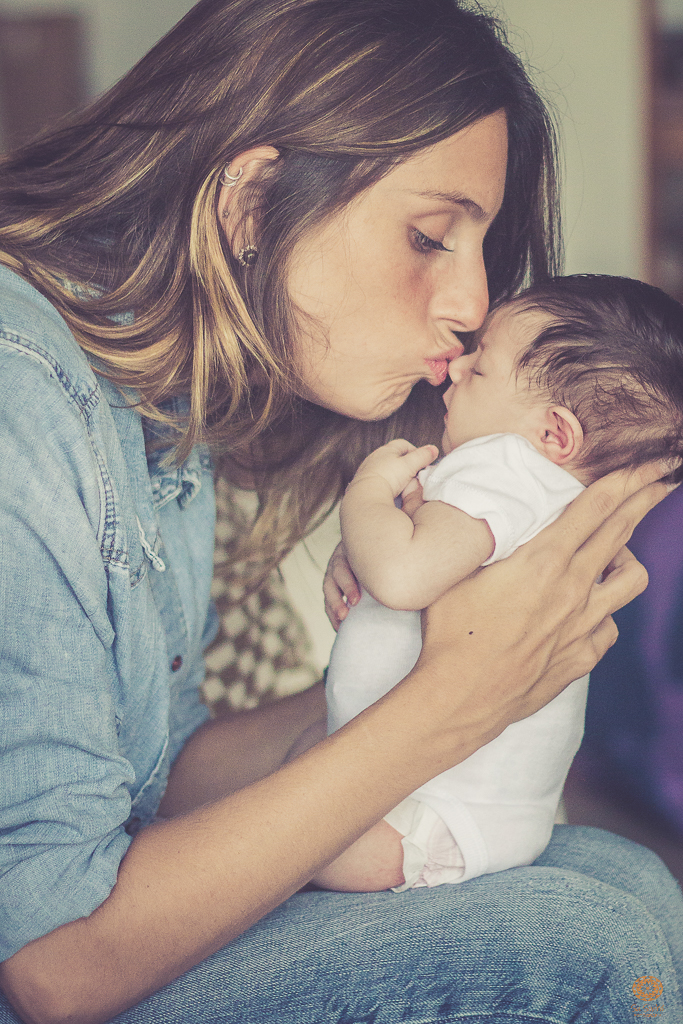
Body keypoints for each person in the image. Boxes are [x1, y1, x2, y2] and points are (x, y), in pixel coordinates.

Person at [0, 0, 681, 1021]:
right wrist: (447, 704)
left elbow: (166, 775)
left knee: (622, 878)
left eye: (477, 249)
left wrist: (460, 655)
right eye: (427, 235)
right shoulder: (21, 389)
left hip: (95, 922)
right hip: (57, 962)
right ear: (251, 200)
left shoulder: (160, 404)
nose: (469, 304)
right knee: (585, 945)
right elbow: (50, 964)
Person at [321, 274, 683, 894]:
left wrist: (364, 497)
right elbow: (418, 571)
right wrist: (378, 535)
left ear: (553, 434)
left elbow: (404, 578)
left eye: (481, 368)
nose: (457, 365)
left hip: (418, 811)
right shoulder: (551, 503)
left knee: (244, 869)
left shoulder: (503, 468)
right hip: (480, 811)